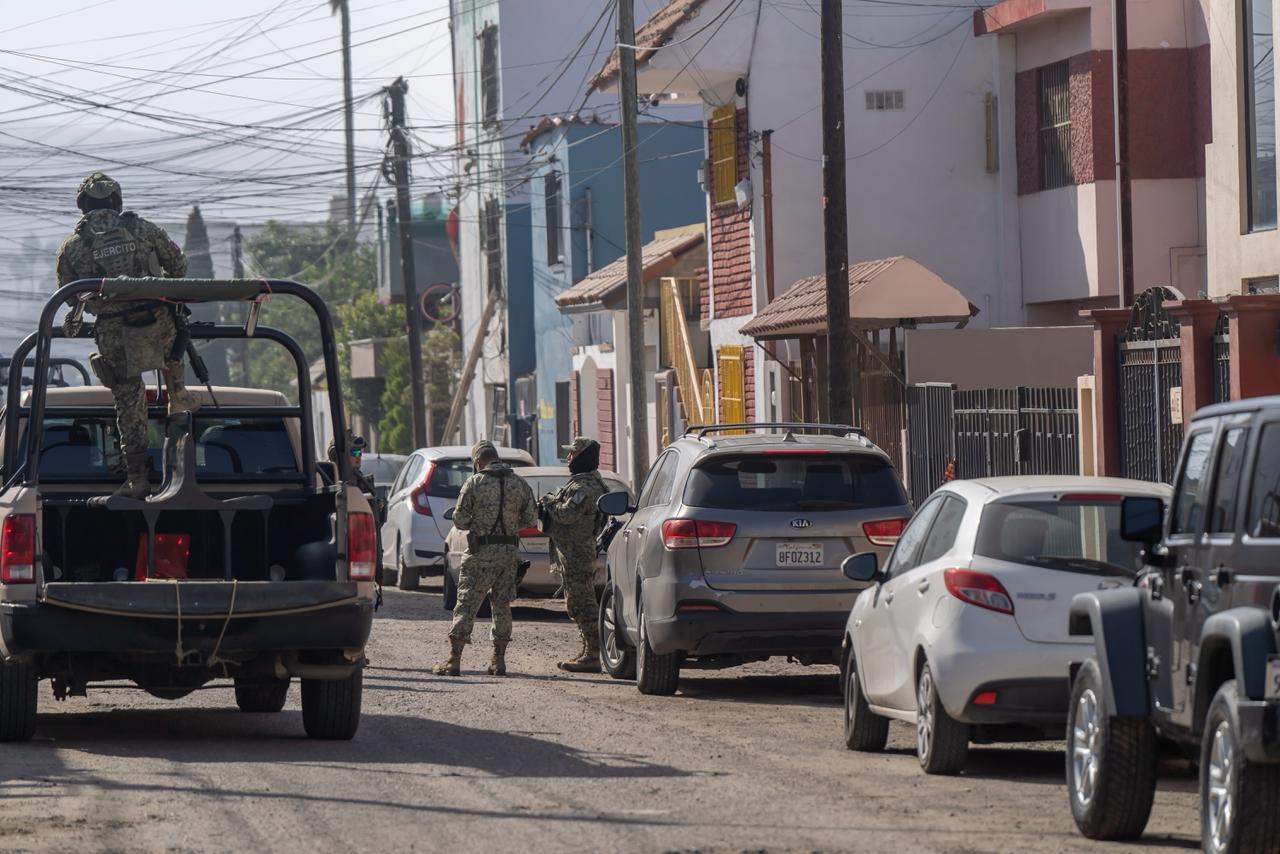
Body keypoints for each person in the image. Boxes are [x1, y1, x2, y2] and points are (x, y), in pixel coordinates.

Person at [55, 172, 200, 499]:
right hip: (160, 326)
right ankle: (182, 461)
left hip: (115, 334)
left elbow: (67, 295)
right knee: (175, 387)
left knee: (128, 400)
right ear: (117, 202)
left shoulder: (72, 247)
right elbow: (178, 267)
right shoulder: (144, 229)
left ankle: (137, 478)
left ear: (83, 207)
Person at [433, 440, 537, 677]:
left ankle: (454, 660)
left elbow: (459, 520)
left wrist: (477, 523)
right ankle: (498, 661)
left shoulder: (474, 482)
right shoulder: (519, 483)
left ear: (478, 463)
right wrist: (510, 527)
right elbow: (531, 519)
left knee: (467, 604)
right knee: (501, 605)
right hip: (509, 554)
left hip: (480, 554)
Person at [539, 436, 608, 673]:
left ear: (583, 457)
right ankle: (588, 650)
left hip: (577, 553)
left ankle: (593, 654)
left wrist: (548, 501)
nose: (568, 458)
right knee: (576, 601)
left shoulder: (584, 487)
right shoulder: (582, 483)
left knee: (582, 603)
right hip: (572, 551)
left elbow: (566, 515)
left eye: (572, 454)